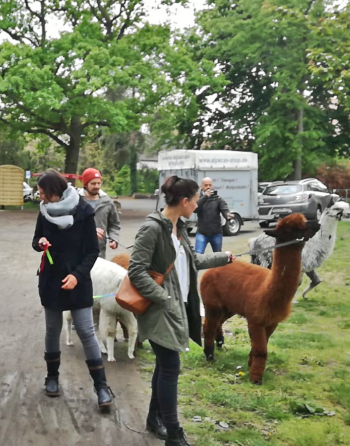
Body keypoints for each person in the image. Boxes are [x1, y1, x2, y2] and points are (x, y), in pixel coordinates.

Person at [128, 175, 234, 445]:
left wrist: (223, 257)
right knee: (171, 367)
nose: (197, 206)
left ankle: (155, 420)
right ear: (185, 201)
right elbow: (136, 271)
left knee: (164, 366)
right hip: (161, 307)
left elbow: (192, 259)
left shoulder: (179, 227)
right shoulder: (152, 229)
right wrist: (163, 298)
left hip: (179, 306)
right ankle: (174, 433)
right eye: (196, 201)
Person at [32, 170, 114, 410]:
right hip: (51, 279)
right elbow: (36, 239)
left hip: (78, 279)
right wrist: (40, 243)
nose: (40, 196)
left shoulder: (84, 212)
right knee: (52, 329)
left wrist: (77, 276)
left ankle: (101, 387)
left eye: (42, 191)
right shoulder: (44, 211)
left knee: (86, 331)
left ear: (54, 191)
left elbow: (92, 251)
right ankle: (52, 378)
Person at [77, 168, 120, 259]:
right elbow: (69, 225)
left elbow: (114, 224)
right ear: (85, 184)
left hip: (99, 252)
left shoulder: (107, 202)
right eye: (93, 183)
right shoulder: (76, 201)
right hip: (78, 251)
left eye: (98, 183)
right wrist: (89, 231)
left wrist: (114, 239)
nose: (96, 186)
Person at [194, 177, 232, 254]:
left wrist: (227, 215)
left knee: (217, 255)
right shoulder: (198, 198)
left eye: (210, 185)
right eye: (206, 185)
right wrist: (205, 197)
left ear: (212, 186)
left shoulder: (218, 199)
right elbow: (195, 209)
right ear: (201, 186)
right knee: (198, 254)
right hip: (202, 232)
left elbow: (224, 209)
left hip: (216, 233)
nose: (208, 187)